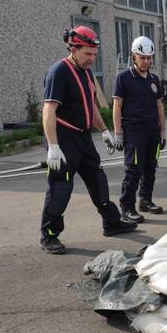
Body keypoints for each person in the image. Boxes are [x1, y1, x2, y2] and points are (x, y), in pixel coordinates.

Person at [40, 26, 137, 254]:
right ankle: (49, 235)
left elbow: (90, 106)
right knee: (61, 188)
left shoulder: (85, 72)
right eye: (87, 54)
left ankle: (111, 222)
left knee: (98, 179)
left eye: (94, 54)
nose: (92, 59)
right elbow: (48, 111)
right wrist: (53, 146)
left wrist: (104, 132)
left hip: (83, 137)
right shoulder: (59, 72)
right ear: (73, 48)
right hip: (63, 138)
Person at [112, 36, 165, 223]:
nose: (146, 61)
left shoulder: (154, 79)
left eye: (149, 58)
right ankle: (126, 208)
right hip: (134, 131)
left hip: (152, 131)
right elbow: (117, 106)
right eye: (142, 57)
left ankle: (146, 200)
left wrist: (162, 132)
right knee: (133, 170)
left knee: (150, 168)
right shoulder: (124, 78)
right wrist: (118, 133)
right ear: (134, 56)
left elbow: (159, 106)